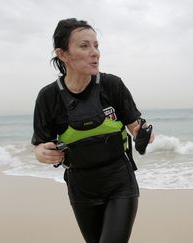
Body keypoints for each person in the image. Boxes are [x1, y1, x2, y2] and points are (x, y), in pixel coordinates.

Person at [32, 18, 153, 243]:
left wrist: (144, 133)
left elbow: (136, 127)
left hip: (119, 181)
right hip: (81, 188)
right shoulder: (49, 97)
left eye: (96, 45)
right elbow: (40, 145)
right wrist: (44, 153)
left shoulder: (112, 85)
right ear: (62, 54)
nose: (95, 52)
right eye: (84, 46)